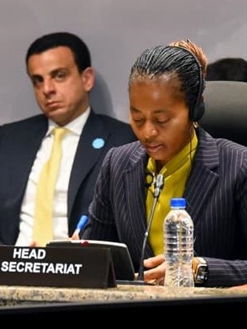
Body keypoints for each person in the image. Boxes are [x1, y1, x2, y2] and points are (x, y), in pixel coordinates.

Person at [83, 39, 247, 287]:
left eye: (161, 120)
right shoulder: (116, 164)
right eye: (138, 119)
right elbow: (96, 257)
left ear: (195, 109)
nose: (148, 133)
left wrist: (197, 269)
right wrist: (75, 254)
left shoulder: (239, 166)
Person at [0, 32, 135, 247]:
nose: (47, 89)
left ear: (86, 79)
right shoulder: (11, 139)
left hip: (79, 263)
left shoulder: (121, 140)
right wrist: (7, 260)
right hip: (12, 262)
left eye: (59, 76)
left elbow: (128, 228)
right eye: (38, 81)